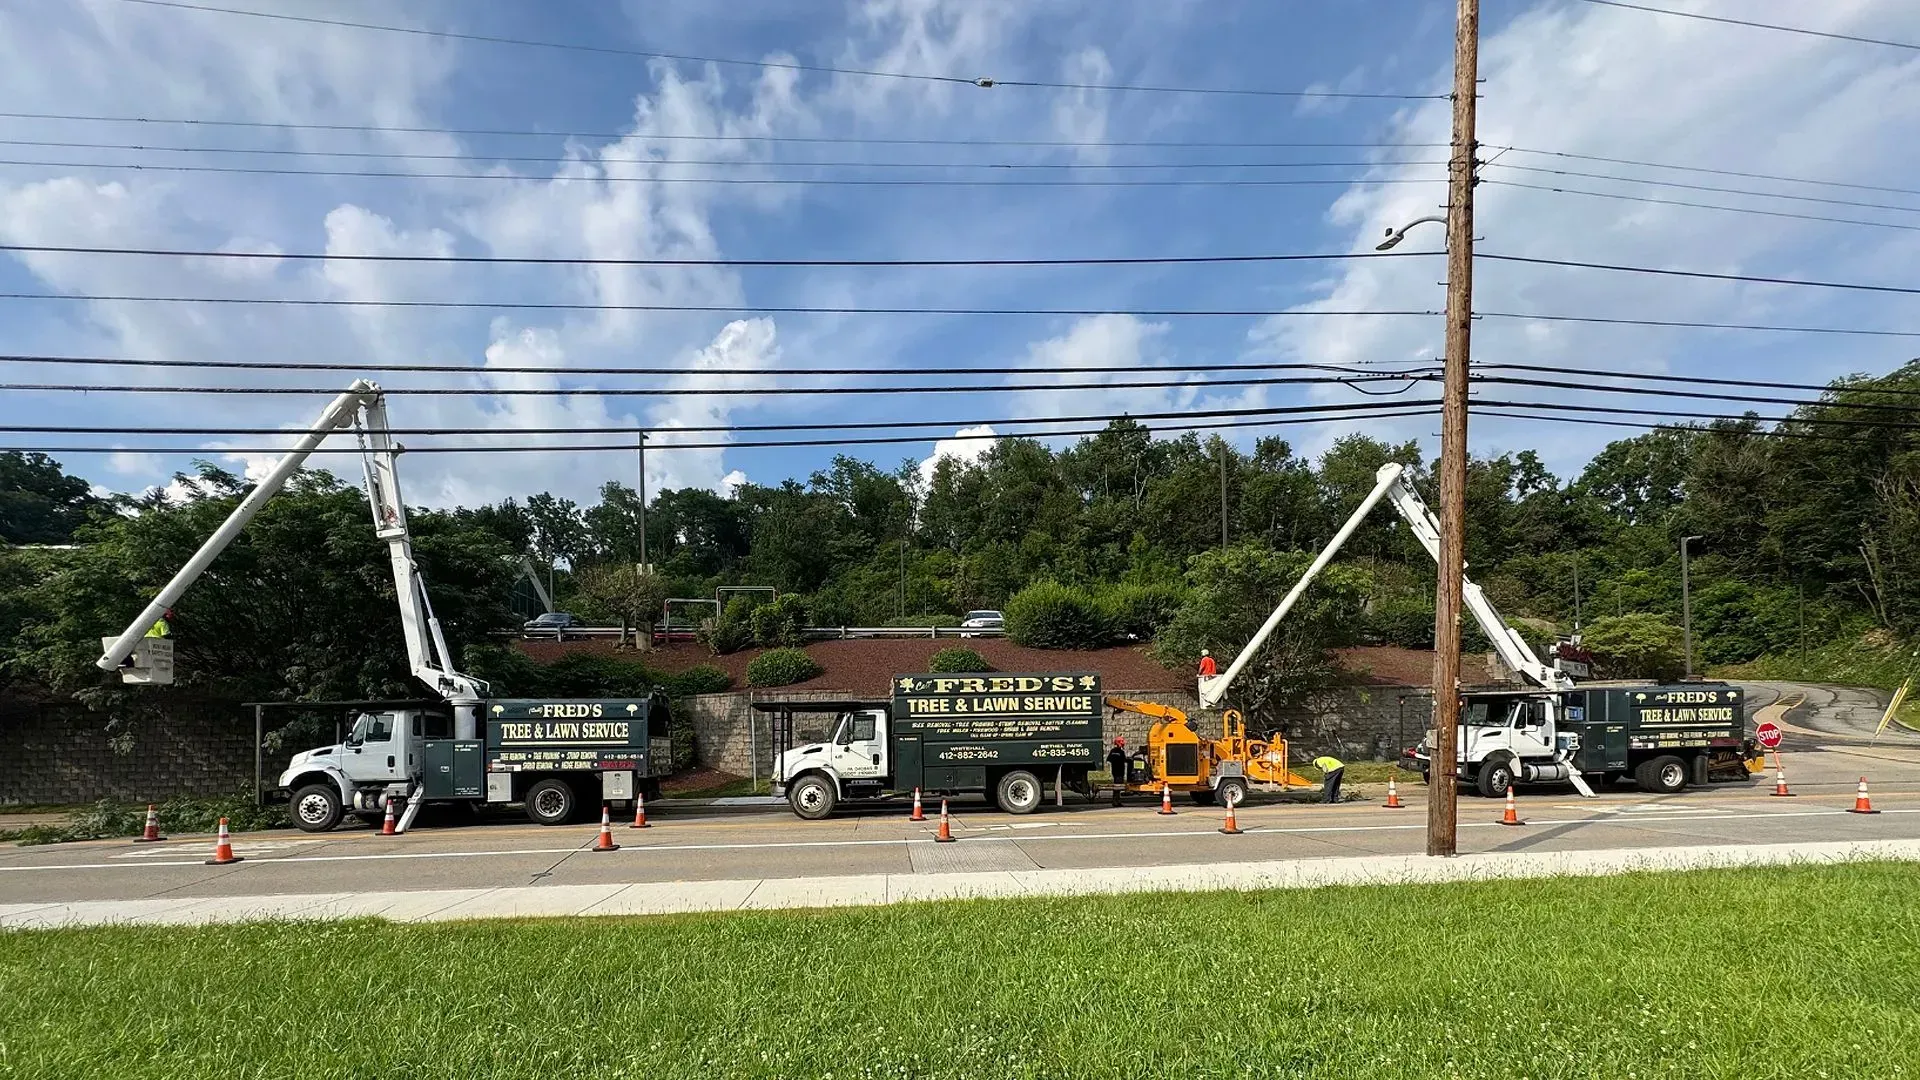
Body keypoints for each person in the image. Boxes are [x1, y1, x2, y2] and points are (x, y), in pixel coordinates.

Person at [1106, 737, 1130, 806]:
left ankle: (1116, 801)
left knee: (1116, 786)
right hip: (1120, 771)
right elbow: (1124, 760)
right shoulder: (1121, 752)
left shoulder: (1112, 751)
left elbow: (1109, 759)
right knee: (1118, 787)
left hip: (1114, 771)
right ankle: (1116, 801)